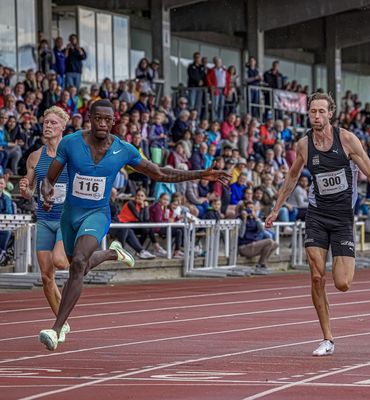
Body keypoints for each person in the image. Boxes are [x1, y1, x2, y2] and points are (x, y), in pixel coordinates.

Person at [38, 99, 231, 351]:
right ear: (90, 118)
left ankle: (57, 329)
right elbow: (49, 179)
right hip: (70, 215)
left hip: (97, 214)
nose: (103, 124)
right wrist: (47, 193)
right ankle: (111, 253)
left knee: (76, 264)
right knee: (79, 264)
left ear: (114, 121)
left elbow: (159, 173)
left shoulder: (124, 150)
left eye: (108, 119)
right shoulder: (71, 143)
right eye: (98, 118)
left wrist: (200, 174)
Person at [265, 92, 370, 356]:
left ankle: (341, 271)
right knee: (315, 276)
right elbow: (291, 178)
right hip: (316, 215)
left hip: (343, 218)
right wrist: (276, 209)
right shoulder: (303, 145)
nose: (316, 116)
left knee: (343, 283)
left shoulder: (346, 140)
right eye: (313, 111)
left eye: (321, 111)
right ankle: (327, 338)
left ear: (330, 113)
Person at [19, 106, 135, 347]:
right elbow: (31, 191)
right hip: (44, 217)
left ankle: (59, 322)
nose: (47, 126)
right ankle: (61, 324)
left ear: (63, 127)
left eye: (52, 122)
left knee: (65, 262)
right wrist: (26, 189)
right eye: (45, 122)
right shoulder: (34, 157)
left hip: (68, 217)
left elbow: (90, 177)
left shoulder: (72, 149)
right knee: (46, 276)